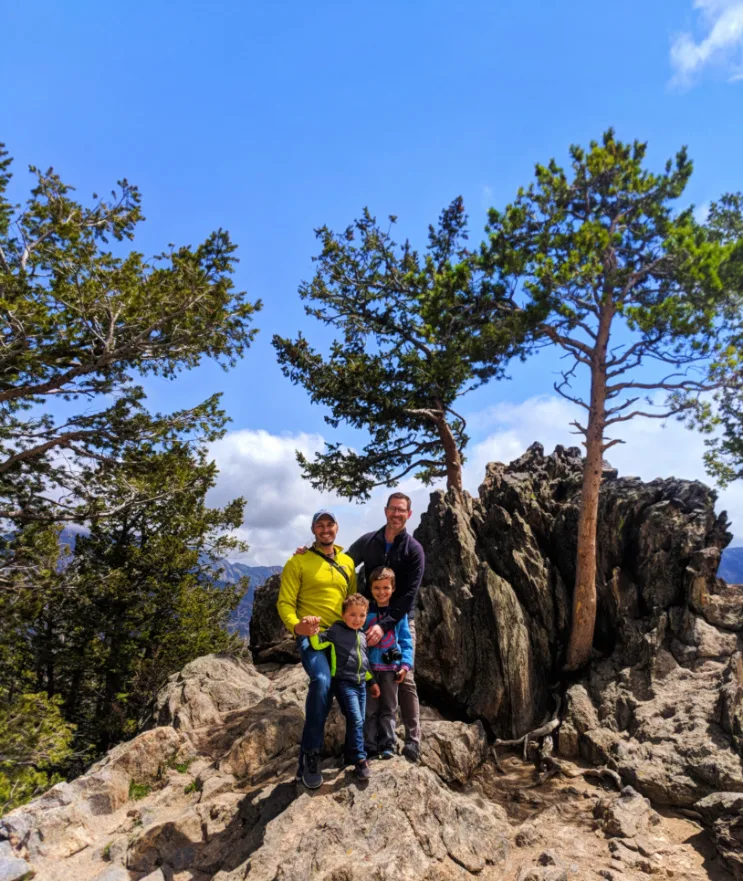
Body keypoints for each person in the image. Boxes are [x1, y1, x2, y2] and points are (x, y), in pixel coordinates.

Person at [277, 509, 356, 789]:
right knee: (322, 682)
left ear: (336, 528)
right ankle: (309, 756)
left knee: (351, 687)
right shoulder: (297, 563)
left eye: (329, 525)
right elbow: (285, 602)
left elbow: (352, 601)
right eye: (319, 525)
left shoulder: (347, 562)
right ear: (313, 531)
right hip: (313, 637)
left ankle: (356, 751)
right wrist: (297, 626)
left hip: (342, 637)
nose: (325, 530)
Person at [346, 492, 425, 762]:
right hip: (368, 619)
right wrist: (311, 553)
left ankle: (413, 740)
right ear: (385, 511)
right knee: (368, 678)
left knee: (406, 679)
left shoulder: (413, 550)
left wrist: (384, 624)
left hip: (401, 619)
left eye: (402, 510)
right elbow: (345, 563)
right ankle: (372, 739)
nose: (396, 514)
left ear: (408, 514)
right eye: (393, 509)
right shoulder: (370, 541)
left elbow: (408, 595)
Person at [310, 593, 380, 781]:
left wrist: (371, 682)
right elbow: (318, 644)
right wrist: (313, 631)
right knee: (356, 719)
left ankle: (349, 754)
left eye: (362, 615)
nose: (357, 620)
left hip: (361, 684)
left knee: (358, 720)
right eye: (352, 615)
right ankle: (360, 760)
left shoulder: (362, 636)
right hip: (344, 683)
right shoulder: (336, 631)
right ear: (343, 615)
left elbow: (363, 662)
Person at [363, 566, 414, 760]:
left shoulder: (398, 614)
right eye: (377, 588)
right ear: (371, 588)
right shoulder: (365, 614)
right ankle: (369, 745)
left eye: (386, 587)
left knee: (389, 708)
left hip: (391, 670)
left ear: (393, 588)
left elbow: (406, 641)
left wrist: (405, 665)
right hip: (369, 670)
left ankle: (388, 744)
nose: (381, 592)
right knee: (370, 709)